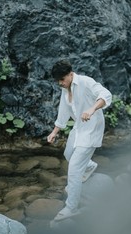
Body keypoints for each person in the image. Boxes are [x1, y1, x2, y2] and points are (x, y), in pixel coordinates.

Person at [47, 60, 112, 222]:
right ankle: (89, 166)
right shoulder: (65, 90)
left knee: (74, 169)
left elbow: (106, 95)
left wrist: (91, 109)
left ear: (70, 74)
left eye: (62, 79)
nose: (60, 83)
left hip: (92, 129)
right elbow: (63, 111)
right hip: (79, 127)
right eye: (58, 81)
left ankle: (71, 208)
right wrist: (54, 132)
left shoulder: (85, 82)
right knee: (68, 153)